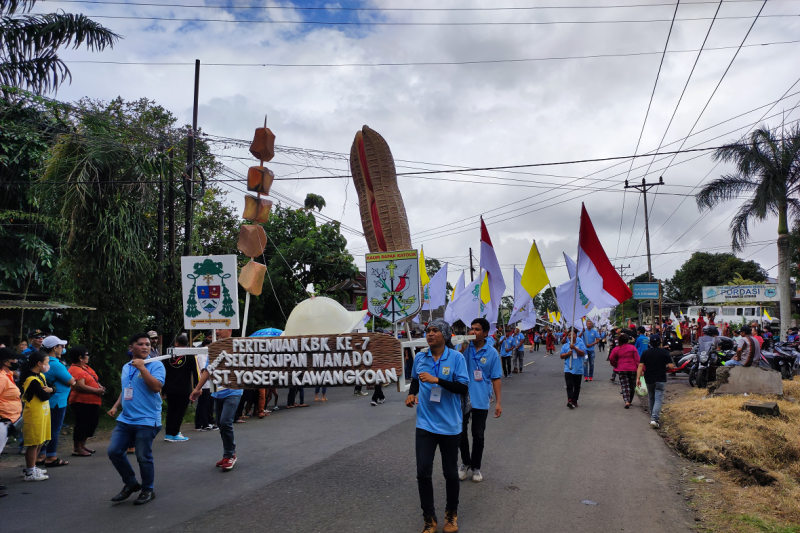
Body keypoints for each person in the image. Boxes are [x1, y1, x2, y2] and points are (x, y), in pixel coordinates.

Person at [406, 319, 469, 533]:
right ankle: (429, 517)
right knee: (423, 472)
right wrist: (411, 394)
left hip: (450, 425)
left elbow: (462, 388)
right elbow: (415, 379)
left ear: (445, 334)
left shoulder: (457, 357)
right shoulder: (420, 357)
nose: (430, 334)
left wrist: (437, 380)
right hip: (425, 424)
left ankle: (451, 514)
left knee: (450, 473)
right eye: (428, 331)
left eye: (435, 331)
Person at [107, 333, 166, 505]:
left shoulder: (155, 365)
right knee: (114, 451)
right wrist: (116, 406)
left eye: (147, 344)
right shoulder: (126, 366)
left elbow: (156, 387)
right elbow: (127, 388)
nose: (145, 347)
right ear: (131, 347)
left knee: (143, 456)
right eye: (140, 344)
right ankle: (131, 483)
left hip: (147, 420)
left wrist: (143, 368)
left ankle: (148, 489)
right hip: (126, 419)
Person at [458, 317, 502, 484]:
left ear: (485, 333)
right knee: (460, 432)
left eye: (476, 329)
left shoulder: (492, 353)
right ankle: (465, 462)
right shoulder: (464, 349)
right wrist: (461, 349)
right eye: (471, 329)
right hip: (462, 398)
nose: (472, 332)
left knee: (478, 435)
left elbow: (496, 378)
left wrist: (498, 402)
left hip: (481, 399)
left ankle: (476, 467)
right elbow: (453, 364)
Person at [190, 336, 243, 472]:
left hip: (233, 391)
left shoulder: (238, 347)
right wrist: (197, 389)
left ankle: (230, 454)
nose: (217, 331)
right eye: (216, 330)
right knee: (220, 423)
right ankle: (228, 454)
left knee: (225, 422)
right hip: (217, 392)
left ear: (229, 330)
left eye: (220, 329)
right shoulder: (214, 350)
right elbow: (208, 370)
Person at [41, 335, 75, 468]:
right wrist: (73, 380)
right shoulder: (55, 364)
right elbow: (71, 380)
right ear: (55, 348)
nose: (63, 348)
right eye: (61, 346)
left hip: (49, 400)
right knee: (54, 429)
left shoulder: (44, 362)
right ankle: (51, 456)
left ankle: (41, 454)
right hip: (57, 401)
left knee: (46, 428)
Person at [20, 351, 53, 481]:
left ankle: (32, 466)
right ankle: (29, 471)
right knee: (33, 443)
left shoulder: (40, 376)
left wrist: (51, 389)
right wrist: (50, 390)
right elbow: (44, 394)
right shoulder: (31, 379)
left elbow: (50, 389)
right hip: (33, 414)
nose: (48, 365)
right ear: (39, 363)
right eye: (46, 362)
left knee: (40, 441)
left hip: (42, 412)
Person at [67, 346, 105, 456]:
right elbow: (80, 386)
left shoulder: (86, 368)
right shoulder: (75, 369)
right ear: (80, 357)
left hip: (92, 401)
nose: (88, 357)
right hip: (81, 401)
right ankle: (77, 447)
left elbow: (94, 379)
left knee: (91, 423)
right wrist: (96, 391)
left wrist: (100, 388)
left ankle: (82, 445)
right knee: (82, 424)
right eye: (87, 354)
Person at [163, 334, 198, 442]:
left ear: (176, 343)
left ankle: (168, 433)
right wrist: (197, 388)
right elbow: (196, 373)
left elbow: (164, 373)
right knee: (180, 411)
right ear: (187, 344)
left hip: (170, 388)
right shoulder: (190, 355)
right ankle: (175, 433)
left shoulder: (168, 355)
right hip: (184, 388)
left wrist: (163, 390)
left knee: (171, 410)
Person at [636, 337, 675, 429]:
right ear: (660, 343)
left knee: (651, 397)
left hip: (649, 378)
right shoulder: (665, 352)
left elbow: (640, 366)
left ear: (650, 343)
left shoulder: (645, 353)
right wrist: (665, 367)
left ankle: (653, 418)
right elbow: (671, 366)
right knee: (658, 399)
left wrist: (638, 378)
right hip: (661, 378)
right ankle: (654, 419)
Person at [1, 348, 23, 494]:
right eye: (12, 360)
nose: (15, 362)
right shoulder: (1, 378)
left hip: (7, 420)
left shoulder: (7, 375)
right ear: (4, 362)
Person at [609, 333, 640, 409]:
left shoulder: (616, 348)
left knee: (624, 385)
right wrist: (641, 369)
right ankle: (630, 400)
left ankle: (626, 400)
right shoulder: (632, 348)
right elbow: (637, 359)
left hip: (622, 368)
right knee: (632, 385)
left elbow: (611, 358)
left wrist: (616, 365)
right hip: (633, 368)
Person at [194, 337, 218, 431]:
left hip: (208, 383)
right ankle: (202, 423)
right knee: (203, 404)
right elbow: (204, 369)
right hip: (204, 384)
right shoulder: (202, 354)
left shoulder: (206, 354)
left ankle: (206, 422)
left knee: (207, 404)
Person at [560, 329, 586, 408]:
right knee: (569, 384)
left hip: (578, 368)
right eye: (569, 335)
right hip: (568, 368)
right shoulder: (565, 345)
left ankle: (575, 400)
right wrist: (567, 354)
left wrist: (574, 348)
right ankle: (570, 400)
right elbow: (561, 356)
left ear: (576, 335)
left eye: (572, 334)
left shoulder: (580, 343)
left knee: (577, 386)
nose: (570, 336)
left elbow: (582, 353)